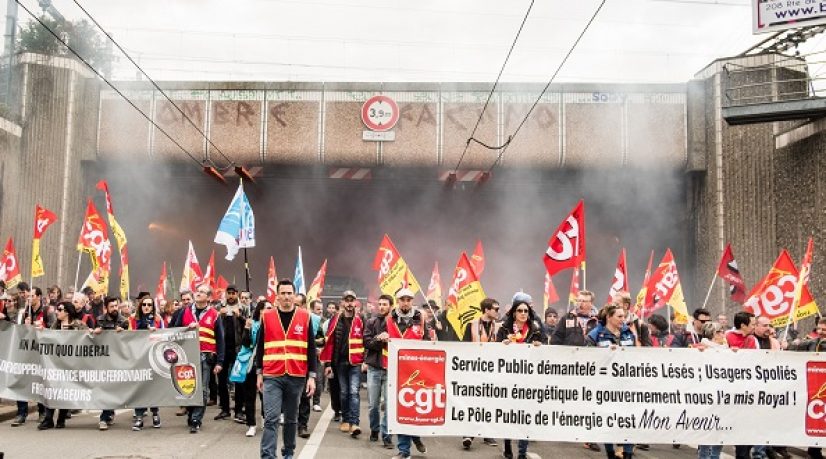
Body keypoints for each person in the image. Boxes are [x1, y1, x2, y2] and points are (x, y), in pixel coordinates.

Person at [256, 279, 316, 459]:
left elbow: (311, 349)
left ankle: (288, 452)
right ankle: (268, 455)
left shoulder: (305, 316)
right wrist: (259, 373)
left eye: (289, 293)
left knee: (291, 419)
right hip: (272, 374)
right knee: (271, 418)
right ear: (277, 295)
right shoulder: (267, 316)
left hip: (296, 375)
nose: (286, 296)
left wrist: (312, 377)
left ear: (294, 295)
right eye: (283, 293)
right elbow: (260, 347)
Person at [550, 289, 600, 452]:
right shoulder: (567, 318)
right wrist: (559, 360)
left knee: (590, 401)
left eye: (584, 301)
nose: (580, 303)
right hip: (570, 367)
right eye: (578, 300)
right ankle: (565, 426)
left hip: (592, 367)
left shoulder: (599, 320)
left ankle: (589, 437)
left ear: (591, 303)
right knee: (569, 399)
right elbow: (556, 340)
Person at [171, 284, 225, 433]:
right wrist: (186, 329)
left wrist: (220, 362)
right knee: (188, 387)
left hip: (206, 357)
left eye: (202, 292)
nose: (198, 293)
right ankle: (191, 413)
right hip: (187, 356)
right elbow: (175, 331)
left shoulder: (215, 314)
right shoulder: (185, 312)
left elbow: (220, 340)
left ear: (209, 297)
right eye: (197, 291)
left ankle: (196, 419)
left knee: (203, 389)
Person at [496, 293, 544, 459]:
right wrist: (502, 345)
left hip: (528, 379)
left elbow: (545, 349)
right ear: (514, 313)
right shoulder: (504, 329)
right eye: (520, 310)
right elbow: (495, 351)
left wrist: (539, 345)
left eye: (526, 311)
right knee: (509, 414)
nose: (523, 313)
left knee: (525, 417)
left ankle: (522, 452)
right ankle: (507, 444)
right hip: (509, 378)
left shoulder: (536, 329)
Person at [586, 303, 637, 459]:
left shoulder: (628, 333)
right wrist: (607, 355)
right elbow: (587, 360)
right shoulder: (595, 335)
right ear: (609, 317)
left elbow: (637, 356)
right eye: (619, 316)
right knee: (608, 420)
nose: (623, 319)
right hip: (605, 386)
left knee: (628, 421)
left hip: (626, 384)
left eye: (624, 316)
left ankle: (628, 454)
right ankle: (610, 452)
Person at [390, 288, 429, 459]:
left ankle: (415, 436)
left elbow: (428, 342)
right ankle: (404, 450)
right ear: (397, 301)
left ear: (412, 301)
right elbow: (375, 341)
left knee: (414, 409)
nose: (405, 303)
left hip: (416, 371)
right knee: (400, 410)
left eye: (408, 300)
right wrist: (380, 338)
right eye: (402, 299)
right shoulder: (389, 318)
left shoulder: (420, 318)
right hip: (396, 370)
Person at [320, 290, 365, 438]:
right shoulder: (336, 319)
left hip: (356, 362)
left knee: (354, 392)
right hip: (339, 362)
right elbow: (330, 343)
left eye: (352, 300)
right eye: (347, 300)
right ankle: (345, 419)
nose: (349, 303)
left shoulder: (361, 319)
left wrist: (365, 361)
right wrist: (328, 364)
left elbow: (365, 341)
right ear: (342, 303)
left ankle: (355, 422)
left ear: (356, 302)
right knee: (344, 393)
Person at [38, 301, 87, 430]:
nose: (57, 311)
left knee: (65, 390)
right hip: (54, 364)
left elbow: (88, 339)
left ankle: (61, 418)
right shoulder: (55, 325)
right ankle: (48, 419)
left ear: (67, 312)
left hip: (71, 365)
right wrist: (42, 332)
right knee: (51, 389)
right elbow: (48, 339)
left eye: (60, 309)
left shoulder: (79, 325)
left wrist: (93, 332)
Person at [460, 297, 501, 450]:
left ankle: (486, 433)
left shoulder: (499, 327)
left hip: (491, 369)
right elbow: (464, 347)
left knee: (488, 402)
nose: (498, 312)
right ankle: (468, 433)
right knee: (472, 402)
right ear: (486, 310)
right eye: (495, 309)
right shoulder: (471, 325)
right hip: (474, 368)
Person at [363, 294, 394, 448]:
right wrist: (379, 339)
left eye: (384, 304)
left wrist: (389, 337)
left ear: (391, 306)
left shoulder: (396, 323)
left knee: (389, 405)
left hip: (390, 369)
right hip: (374, 368)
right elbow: (367, 343)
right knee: (373, 405)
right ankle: (374, 430)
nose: (381, 307)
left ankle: (387, 435)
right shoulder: (371, 321)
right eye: (380, 304)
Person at [94, 296, 128, 430]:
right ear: (106, 308)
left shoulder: (123, 321)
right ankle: (104, 416)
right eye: (111, 306)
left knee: (112, 387)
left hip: (118, 358)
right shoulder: (99, 320)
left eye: (116, 306)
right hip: (103, 359)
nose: (114, 309)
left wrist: (123, 332)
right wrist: (95, 332)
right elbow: (91, 337)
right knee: (105, 387)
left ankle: (108, 413)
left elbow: (131, 338)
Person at [129, 297, 163, 430]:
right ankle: (139, 417)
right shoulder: (133, 319)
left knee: (152, 387)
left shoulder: (158, 319)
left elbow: (164, 335)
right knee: (139, 387)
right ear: (140, 306)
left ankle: (155, 414)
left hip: (153, 356)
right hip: (138, 357)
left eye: (149, 304)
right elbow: (128, 335)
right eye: (144, 304)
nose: (147, 307)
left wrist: (156, 331)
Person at [236, 300, 265, 437]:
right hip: (251, 364)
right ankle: (251, 424)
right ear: (260, 310)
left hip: (268, 365)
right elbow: (245, 344)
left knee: (266, 395)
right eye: (266, 308)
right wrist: (247, 328)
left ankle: (265, 419)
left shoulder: (274, 325)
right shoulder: (252, 324)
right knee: (249, 396)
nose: (269, 311)